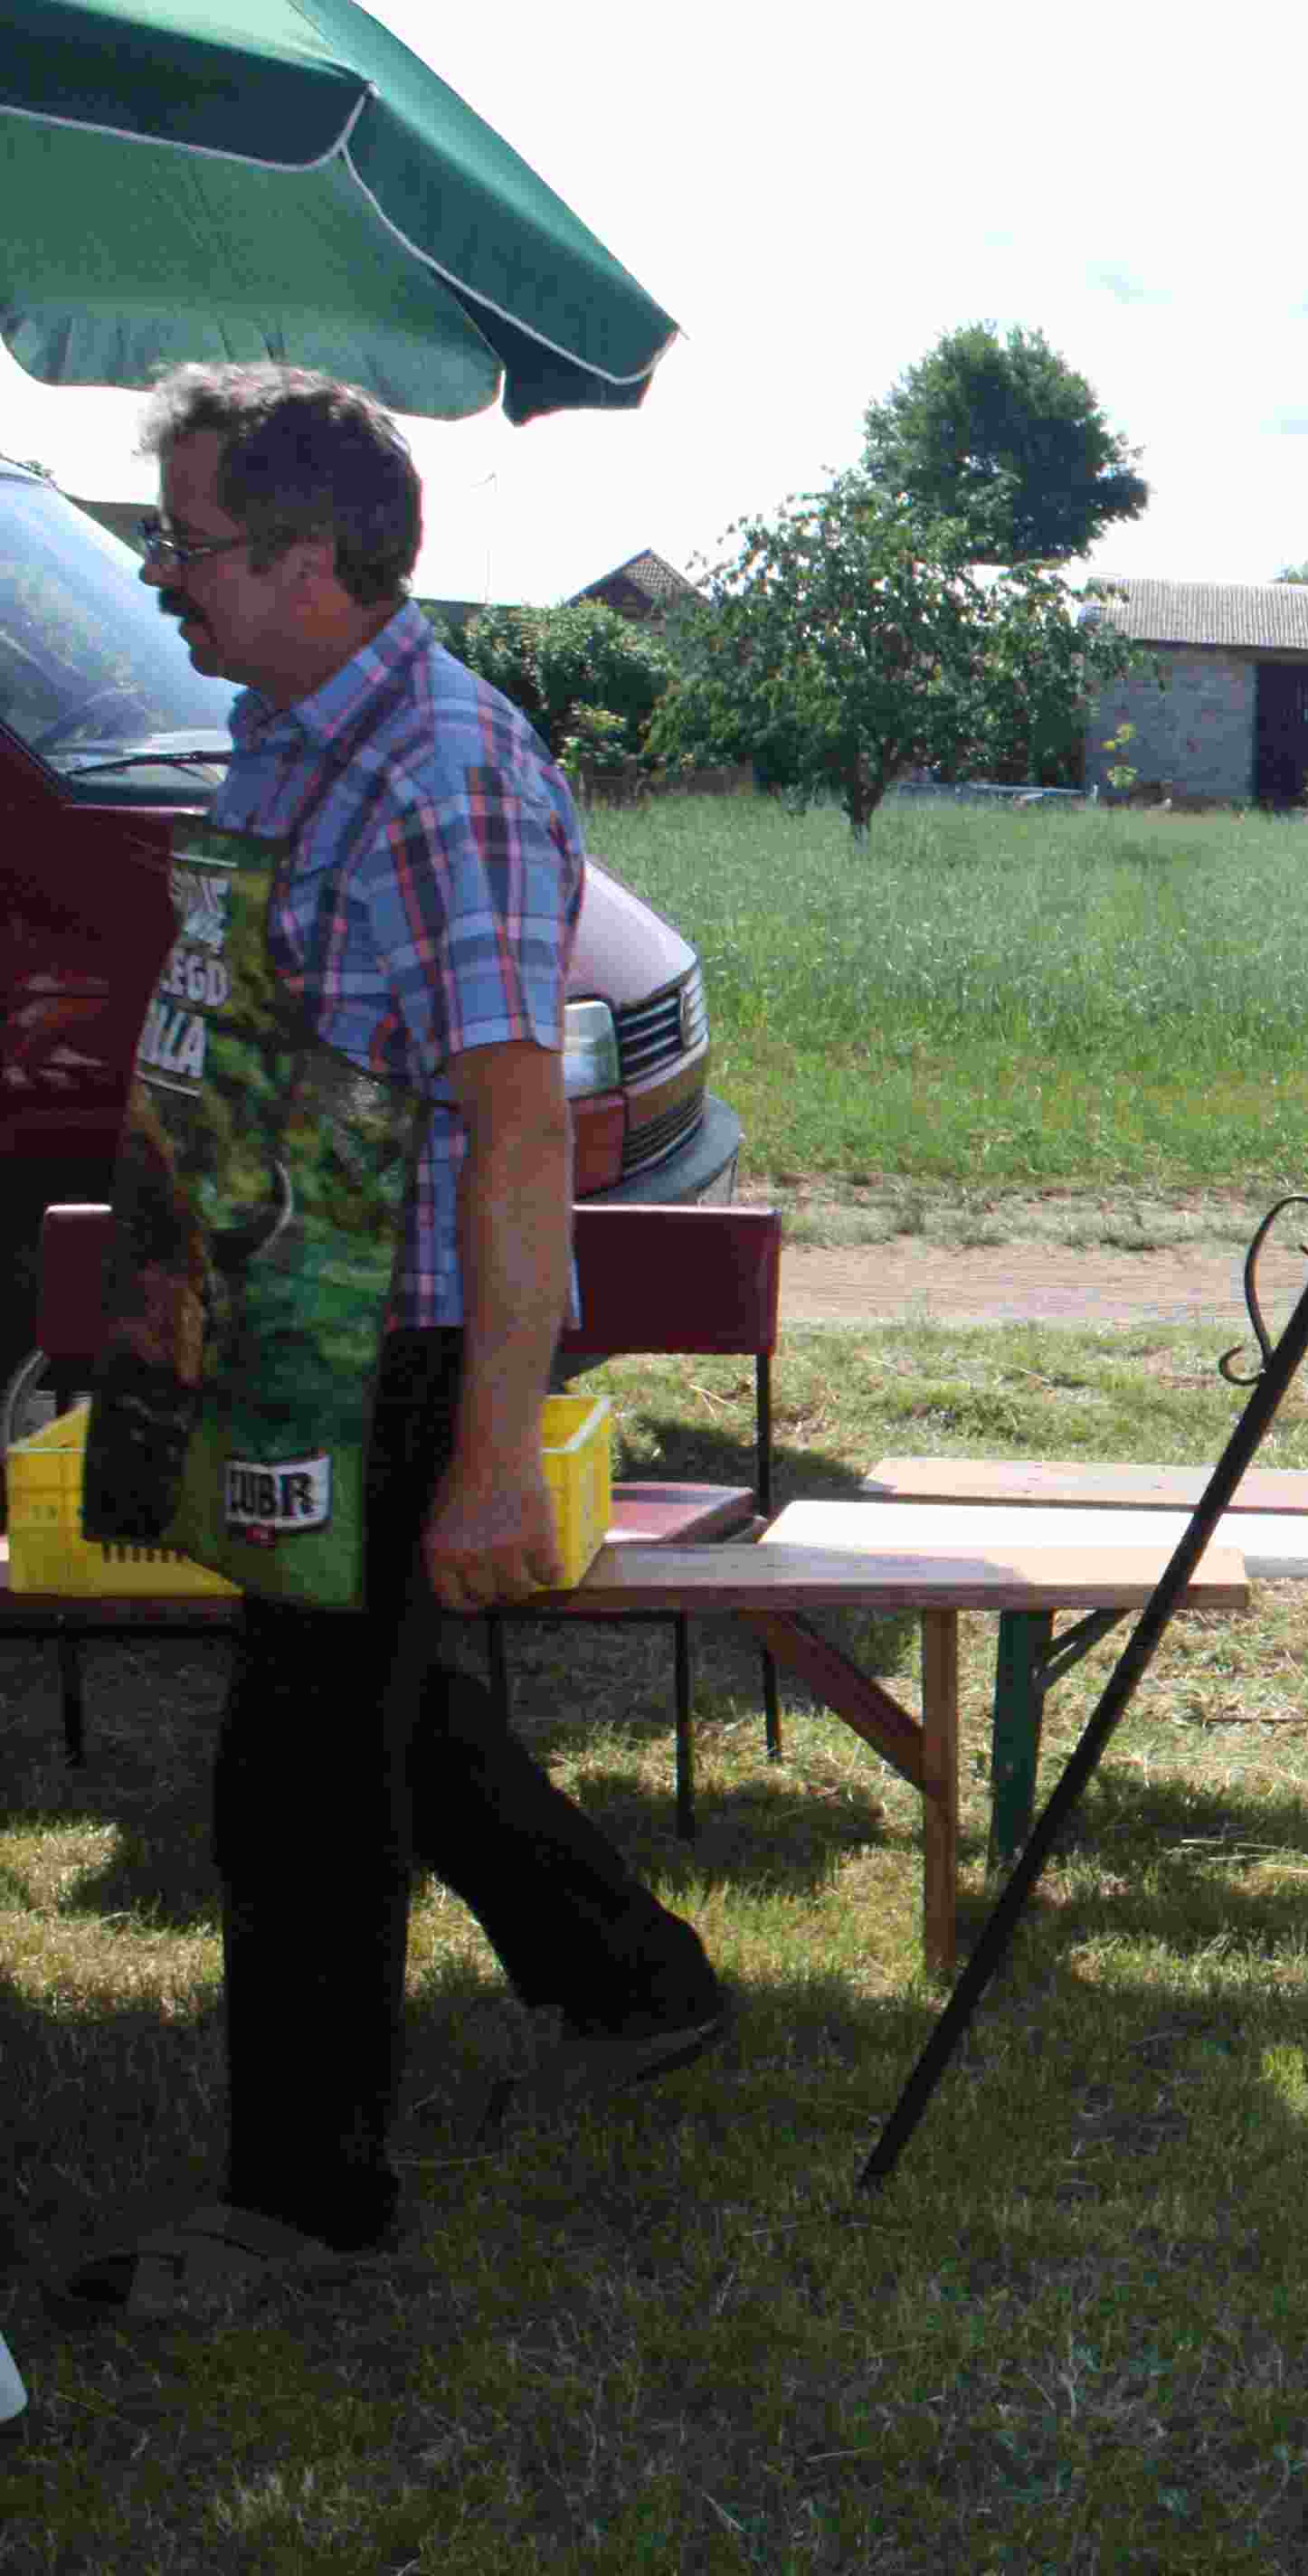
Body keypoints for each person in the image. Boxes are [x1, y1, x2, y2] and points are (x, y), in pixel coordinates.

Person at [58, 365, 726, 2321]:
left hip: (394, 1333)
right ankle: (634, 1982)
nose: (160, 574)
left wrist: (498, 1448)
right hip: (288, 1304)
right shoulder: (286, 729)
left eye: (186, 542)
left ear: (310, 561)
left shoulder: (445, 775)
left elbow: (519, 1130)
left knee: (298, 1767)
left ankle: (306, 2203)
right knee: (387, 1702)